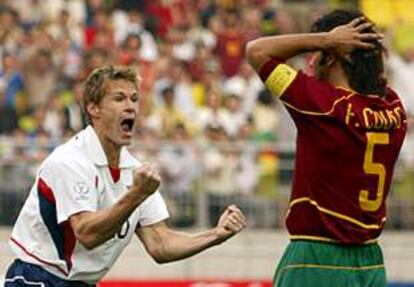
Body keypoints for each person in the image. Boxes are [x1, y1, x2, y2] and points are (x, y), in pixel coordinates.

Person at [4, 66, 246, 286]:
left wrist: (215, 235)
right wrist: (136, 195)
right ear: (93, 108)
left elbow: (160, 244)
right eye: (119, 98)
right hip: (36, 279)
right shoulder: (69, 160)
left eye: (134, 99)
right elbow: (87, 233)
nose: (130, 106)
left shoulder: (134, 171)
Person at [246, 9, 407, 287]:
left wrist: (323, 40)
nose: (309, 64)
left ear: (333, 54)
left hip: (315, 261)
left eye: (317, 56)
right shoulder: (394, 108)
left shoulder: (323, 105)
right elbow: (374, 79)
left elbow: (257, 51)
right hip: (370, 262)